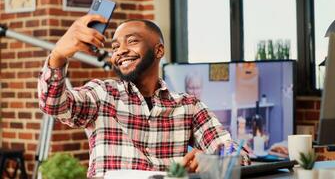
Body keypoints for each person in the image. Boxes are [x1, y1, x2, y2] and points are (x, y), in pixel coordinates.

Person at [37, 14, 250, 177]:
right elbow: (54, 105)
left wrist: (212, 160)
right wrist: (57, 56)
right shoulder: (102, 94)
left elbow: (236, 154)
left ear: (158, 51)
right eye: (115, 46)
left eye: (131, 41)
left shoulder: (188, 106)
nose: (119, 51)